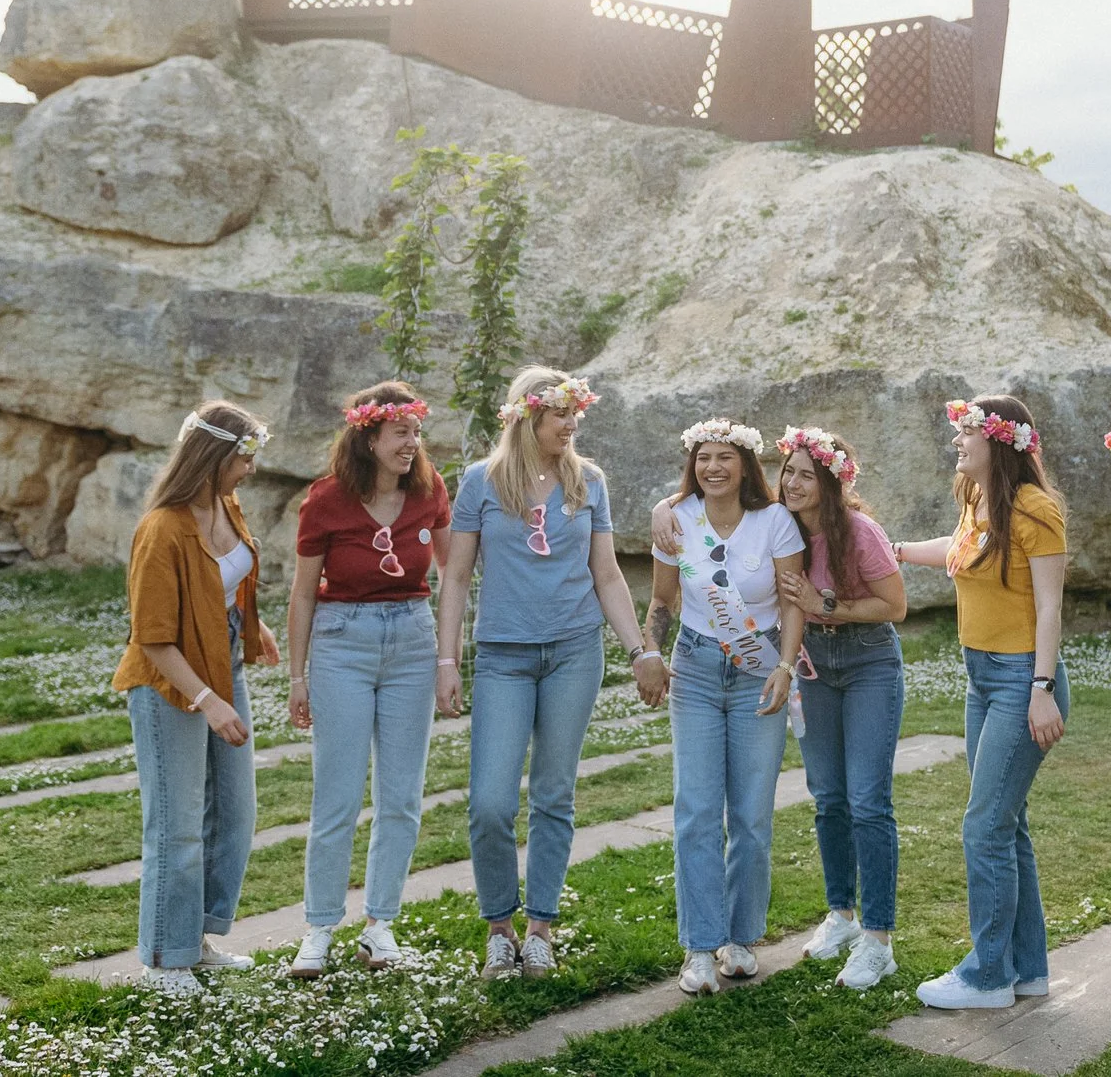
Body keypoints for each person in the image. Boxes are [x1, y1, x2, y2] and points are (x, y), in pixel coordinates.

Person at [434, 367, 668, 981]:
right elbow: (455, 576)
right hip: (505, 656)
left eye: (575, 414)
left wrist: (641, 649)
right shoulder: (481, 483)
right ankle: (498, 929)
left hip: (573, 651)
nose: (571, 424)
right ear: (526, 416)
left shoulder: (587, 481)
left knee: (553, 793)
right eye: (560, 413)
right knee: (488, 803)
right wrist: (447, 660)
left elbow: (608, 574)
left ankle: (539, 928)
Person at [892, 395, 1069, 1011]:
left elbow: (1049, 606)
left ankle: (986, 975)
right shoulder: (977, 499)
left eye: (968, 434)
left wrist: (1042, 692)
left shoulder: (1036, 510)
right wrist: (898, 552)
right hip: (980, 677)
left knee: (984, 827)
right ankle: (1026, 970)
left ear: (1000, 442)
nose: (958, 443)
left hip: (1023, 679)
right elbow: (961, 548)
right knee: (1005, 824)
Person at [110, 401, 281, 996]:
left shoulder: (226, 505)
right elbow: (152, 640)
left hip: (221, 664)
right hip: (170, 685)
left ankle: (197, 940)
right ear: (212, 457)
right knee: (177, 826)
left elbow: (227, 575)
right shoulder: (162, 530)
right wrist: (208, 700)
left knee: (235, 814)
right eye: (245, 457)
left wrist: (249, 624)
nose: (251, 470)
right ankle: (164, 958)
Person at [284, 382, 445, 979]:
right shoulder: (325, 500)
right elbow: (303, 593)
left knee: (402, 797)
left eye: (415, 432)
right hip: (340, 643)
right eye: (400, 432)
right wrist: (297, 676)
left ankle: (380, 927)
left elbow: (453, 576)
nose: (412, 443)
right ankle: (320, 928)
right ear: (369, 436)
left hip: (411, 639)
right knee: (338, 796)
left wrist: (448, 658)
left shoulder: (429, 492)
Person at [645, 419, 809, 995]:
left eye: (725, 457)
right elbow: (663, 598)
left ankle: (738, 939)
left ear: (745, 465)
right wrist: (650, 652)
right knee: (695, 808)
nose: (713, 467)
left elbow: (793, 604)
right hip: (693, 665)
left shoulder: (775, 523)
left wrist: (785, 667)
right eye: (703, 457)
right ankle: (696, 946)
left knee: (751, 814)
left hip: (757, 669)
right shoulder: (679, 520)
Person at [772, 427, 909, 989]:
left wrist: (825, 602)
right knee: (827, 797)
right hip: (813, 665)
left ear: (830, 483)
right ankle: (842, 917)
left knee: (867, 801)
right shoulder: (782, 529)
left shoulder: (859, 531)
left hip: (869, 660)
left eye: (807, 474)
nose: (792, 482)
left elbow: (895, 606)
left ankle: (879, 940)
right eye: (788, 471)